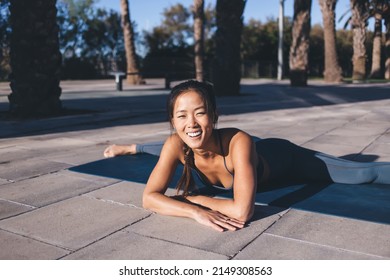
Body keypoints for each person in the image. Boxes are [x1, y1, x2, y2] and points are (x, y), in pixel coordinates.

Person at [104, 80, 390, 232]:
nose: (191, 122)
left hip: (285, 157)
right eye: (181, 115)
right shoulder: (175, 141)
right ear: (172, 119)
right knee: (184, 143)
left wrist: (193, 198)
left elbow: (242, 211)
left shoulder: (238, 139)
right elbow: (148, 198)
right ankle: (132, 146)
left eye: (200, 113)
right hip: (228, 150)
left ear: (214, 115)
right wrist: (193, 211)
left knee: (361, 173)